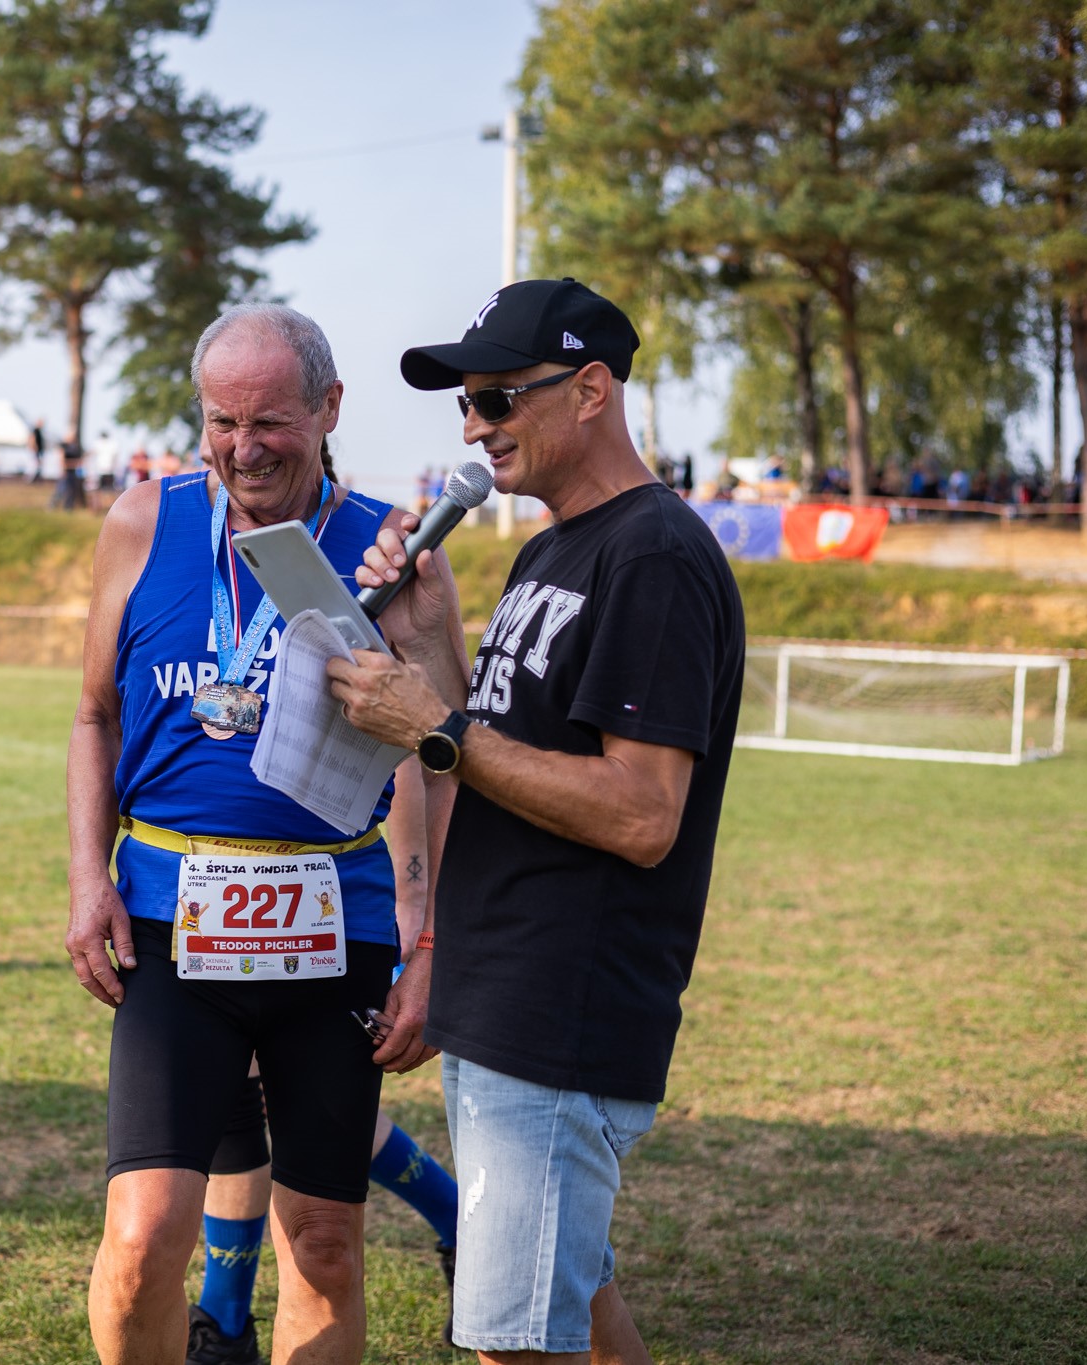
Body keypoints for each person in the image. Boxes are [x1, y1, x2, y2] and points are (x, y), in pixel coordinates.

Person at [326, 277, 746, 1364]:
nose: (473, 427)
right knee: (577, 1305)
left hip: (561, 1007)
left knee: (514, 1341)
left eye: (499, 399)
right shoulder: (553, 545)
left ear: (592, 391)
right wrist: (428, 643)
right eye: (464, 403)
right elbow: (497, 740)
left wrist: (432, 723)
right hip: (506, 985)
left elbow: (642, 812)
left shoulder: (650, 555)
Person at [66, 303, 434, 1365]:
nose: (242, 447)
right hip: (169, 929)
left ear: (329, 408)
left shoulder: (395, 552)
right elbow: (93, 714)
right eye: (221, 421)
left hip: (337, 932)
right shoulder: (144, 520)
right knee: (142, 1240)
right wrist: (87, 878)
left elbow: (435, 755)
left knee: (323, 1245)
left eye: (269, 420)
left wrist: (426, 939)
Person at [187, 754, 459, 1364]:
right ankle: (225, 1323)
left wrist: (415, 895)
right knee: (239, 1088)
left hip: (330, 890)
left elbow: (413, 742)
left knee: (304, 1098)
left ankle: (225, 1322)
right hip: (210, 884)